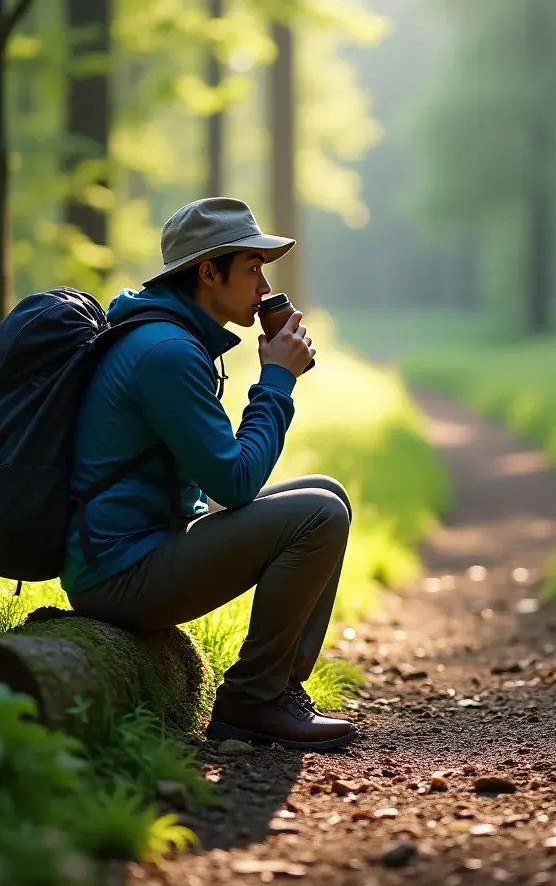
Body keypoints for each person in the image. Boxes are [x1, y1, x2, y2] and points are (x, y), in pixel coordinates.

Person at [62, 197, 356, 752]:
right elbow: (235, 483)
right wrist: (276, 380)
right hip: (119, 575)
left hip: (134, 551)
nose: (263, 288)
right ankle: (254, 700)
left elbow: (213, 477)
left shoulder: (166, 335)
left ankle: (279, 690)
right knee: (319, 515)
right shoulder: (166, 352)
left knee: (326, 494)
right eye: (252, 269)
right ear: (207, 272)